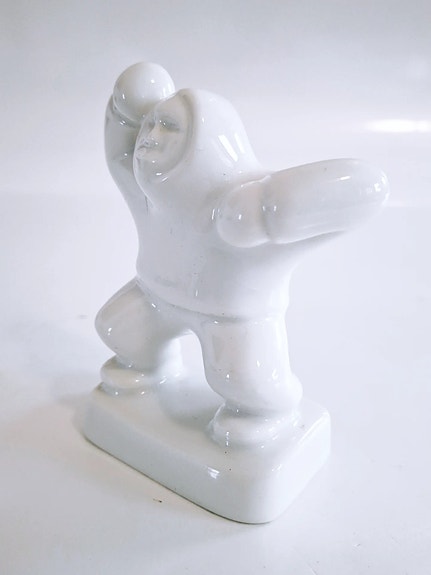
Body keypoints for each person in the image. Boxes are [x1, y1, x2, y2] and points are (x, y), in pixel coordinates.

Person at [97, 63, 389, 445]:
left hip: (232, 319)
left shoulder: (241, 211)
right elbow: (119, 151)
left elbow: (367, 188)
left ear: (204, 143)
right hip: (154, 297)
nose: (150, 136)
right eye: (149, 124)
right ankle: (147, 368)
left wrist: (272, 206)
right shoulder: (148, 195)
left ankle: (270, 414)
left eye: (169, 126)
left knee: (242, 383)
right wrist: (125, 108)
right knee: (117, 330)